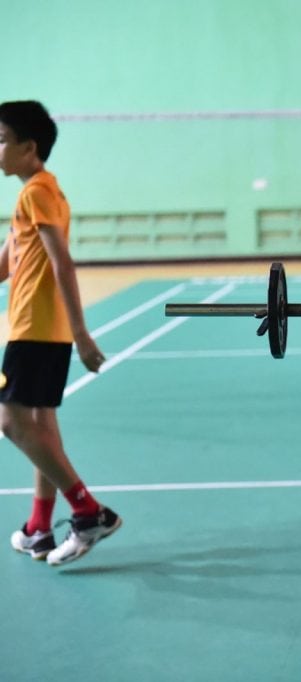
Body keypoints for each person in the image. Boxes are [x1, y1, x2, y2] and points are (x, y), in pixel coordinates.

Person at [0, 100, 122, 566]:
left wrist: (83, 334)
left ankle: (89, 512)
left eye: (2, 140)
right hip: (40, 328)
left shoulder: (37, 192)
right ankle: (38, 528)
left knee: (11, 422)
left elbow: (61, 262)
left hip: (35, 326)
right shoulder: (37, 194)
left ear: (29, 148)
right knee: (41, 425)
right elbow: (6, 263)